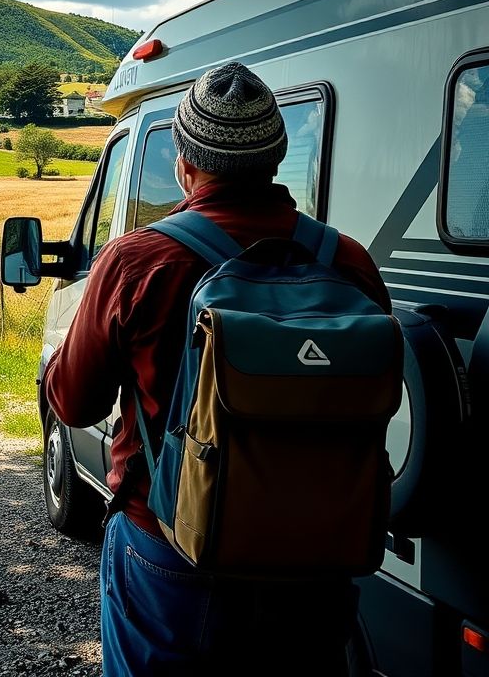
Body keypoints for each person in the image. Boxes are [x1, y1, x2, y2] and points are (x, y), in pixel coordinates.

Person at [43, 61, 392, 677]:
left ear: (185, 162)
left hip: (174, 550)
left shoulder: (138, 261)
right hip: (317, 556)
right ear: (276, 159)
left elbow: (75, 404)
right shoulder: (351, 264)